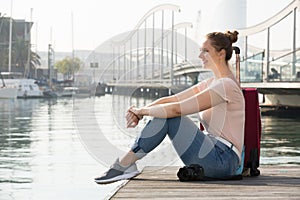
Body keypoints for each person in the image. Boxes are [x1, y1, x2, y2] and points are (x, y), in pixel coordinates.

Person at [95, 30, 245, 184]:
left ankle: (124, 164)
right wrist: (140, 112)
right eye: (201, 51)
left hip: (223, 159)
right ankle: (126, 165)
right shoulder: (212, 83)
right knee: (166, 113)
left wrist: (142, 111)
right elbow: (172, 99)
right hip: (212, 154)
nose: (200, 56)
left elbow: (176, 109)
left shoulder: (225, 85)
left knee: (172, 118)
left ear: (221, 54)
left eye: (206, 51)